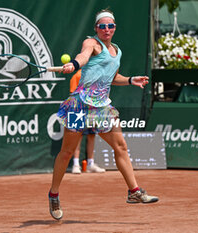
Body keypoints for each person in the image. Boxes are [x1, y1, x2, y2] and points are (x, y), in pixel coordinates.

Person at [49, 9, 158, 220]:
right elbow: (83, 56)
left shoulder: (117, 51)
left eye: (110, 26)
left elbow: (111, 76)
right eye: (102, 26)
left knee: (121, 146)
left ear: (115, 28)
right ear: (96, 28)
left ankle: (134, 192)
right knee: (66, 152)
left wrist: (129, 80)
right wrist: (74, 63)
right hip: (80, 105)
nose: (106, 29)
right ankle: (54, 194)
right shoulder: (91, 43)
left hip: (102, 108)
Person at [69, 70, 106, 174]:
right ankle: (76, 164)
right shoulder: (77, 76)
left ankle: (90, 164)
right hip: (78, 111)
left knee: (91, 136)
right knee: (77, 137)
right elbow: (73, 96)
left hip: (93, 110)